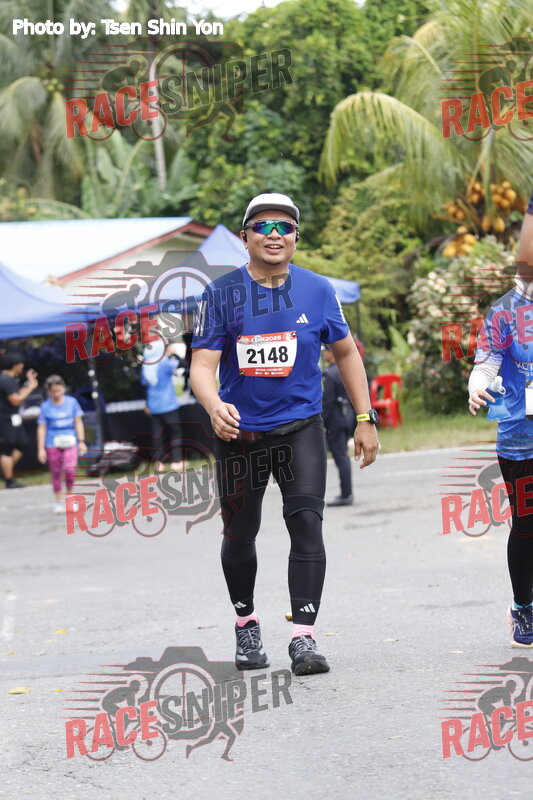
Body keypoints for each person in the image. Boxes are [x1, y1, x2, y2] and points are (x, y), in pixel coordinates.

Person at [190, 192, 379, 676]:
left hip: (301, 428)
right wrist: (214, 406)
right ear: (245, 236)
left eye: (285, 227)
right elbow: (202, 366)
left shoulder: (318, 289)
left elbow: (346, 353)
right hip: (241, 434)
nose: (275, 235)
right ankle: (246, 624)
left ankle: (303, 637)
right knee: (239, 533)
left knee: (307, 522)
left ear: (296, 237)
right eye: (263, 226)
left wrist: (364, 418)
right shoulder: (220, 294)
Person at [468, 190, 533, 647]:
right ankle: (522, 608)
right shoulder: (504, 312)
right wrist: (478, 384)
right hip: (520, 437)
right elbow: (487, 362)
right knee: (527, 524)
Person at [37, 375, 87, 513]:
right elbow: (41, 428)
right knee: (56, 472)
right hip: (52, 443)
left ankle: (70, 499)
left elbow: (78, 422)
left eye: (58, 390)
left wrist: (81, 441)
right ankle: (59, 501)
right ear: (49, 391)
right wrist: (41, 448)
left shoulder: (72, 403)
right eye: (53, 391)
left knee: (70, 470)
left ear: (63, 388)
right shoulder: (45, 406)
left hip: (70, 441)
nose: (56, 394)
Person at [141, 339, 184, 472]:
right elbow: (182, 364)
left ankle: (159, 462)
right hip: (168, 405)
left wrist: (147, 404)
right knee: (175, 433)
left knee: (157, 435)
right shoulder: (165, 363)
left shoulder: (145, 367)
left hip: (154, 407)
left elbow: (144, 387)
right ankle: (176, 461)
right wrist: (173, 353)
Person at [322, 344, 357, 506]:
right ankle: (347, 492)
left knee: (340, 457)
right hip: (348, 416)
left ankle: (346, 493)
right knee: (343, 456)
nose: (324, 355)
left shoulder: (330, 374)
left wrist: (323, 422)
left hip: (336, 420)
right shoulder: (344, 370)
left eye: (325, 351)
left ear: (331, 352)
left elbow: (328, 402)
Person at [0, 352, 38, 489]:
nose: (22, 367)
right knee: (7, 448)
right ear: (15, 365)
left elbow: (18, 394)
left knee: (22, 444)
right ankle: (9, 480)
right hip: (6, 419)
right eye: (21, 364)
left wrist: (29, 383)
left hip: (13, 418)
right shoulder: (5, 379)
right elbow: (15, 400)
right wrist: (31, 387)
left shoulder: (11, 379)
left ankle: (6, 471)